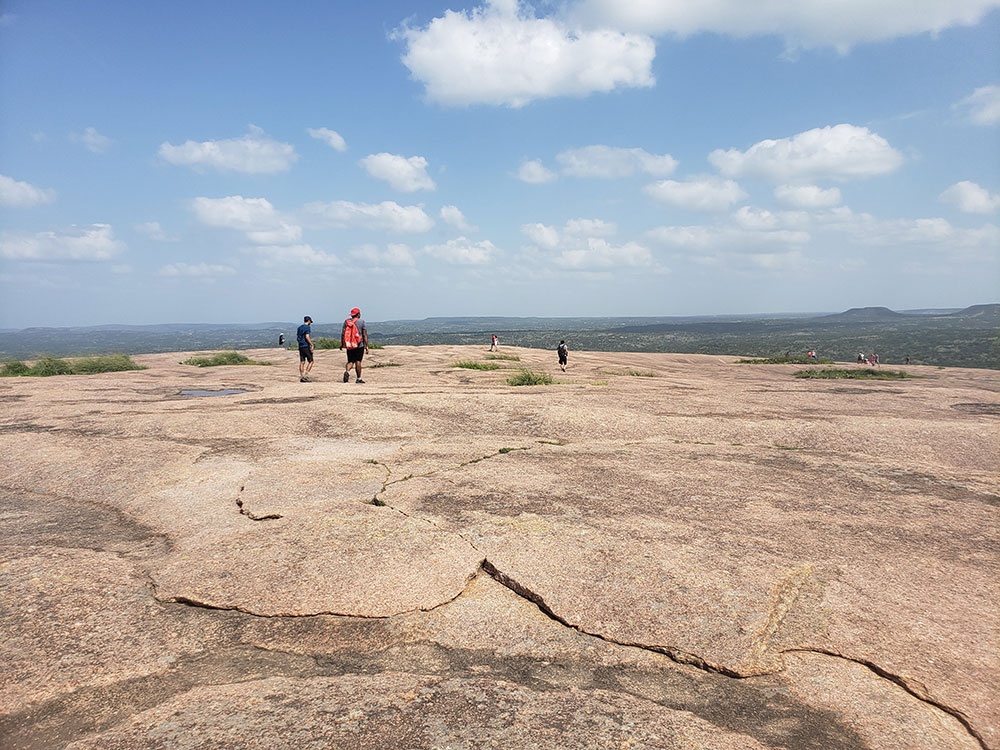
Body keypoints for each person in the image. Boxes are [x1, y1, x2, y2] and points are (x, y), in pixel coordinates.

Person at [341, 307, 369, 383]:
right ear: (358, 314)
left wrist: (342, 344)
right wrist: (366, 346)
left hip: (350, 344)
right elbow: (364, 334)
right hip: (359, 344)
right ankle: (359, 378)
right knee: (358, 361)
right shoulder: (361, 322)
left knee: (350, 361)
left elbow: (343, 334)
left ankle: (347, 371)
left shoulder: (346, 322)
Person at [296, 316, 314, 382]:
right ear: (308, 321)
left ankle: (302, 376)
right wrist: (311, 344)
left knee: (302, 362)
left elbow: (297, 337)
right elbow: (307, 336)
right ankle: (306, 376)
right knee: (311, 361)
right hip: (306, 345)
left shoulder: (299, 328)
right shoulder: (307, 327)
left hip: (301, 346)